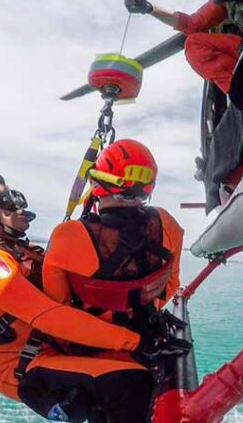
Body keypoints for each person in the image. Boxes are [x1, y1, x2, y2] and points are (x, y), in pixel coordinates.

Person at [0, 175, 167, 422]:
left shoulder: (25, 253)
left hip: (54, 347)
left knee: (150, 369)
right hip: (20, 363)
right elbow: (47, 315)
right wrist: (132, 341)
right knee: (130, 384)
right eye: (7, 200)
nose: (19, 204)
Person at [42, 139, 188, 364]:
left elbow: (56, 305)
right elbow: (171, 283)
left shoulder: (68, 235)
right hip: (147, 336)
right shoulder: (168, 224)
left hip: (90, 348)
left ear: (99, 181)